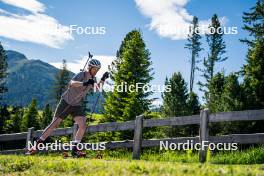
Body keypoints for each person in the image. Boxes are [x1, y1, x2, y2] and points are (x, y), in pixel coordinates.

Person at [26, 59, 109, 157]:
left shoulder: (93, 79)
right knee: (54, 124)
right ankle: (36, 146)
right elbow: (72, 83)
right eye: (94, 69)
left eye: (97, 70)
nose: (96, 71)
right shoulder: (81, 75)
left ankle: (75, 150)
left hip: (76, 105)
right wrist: (84, 83)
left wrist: (103, 79)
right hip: (66, 102)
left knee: (83, 125)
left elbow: (97, 88)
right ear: (89, 68)